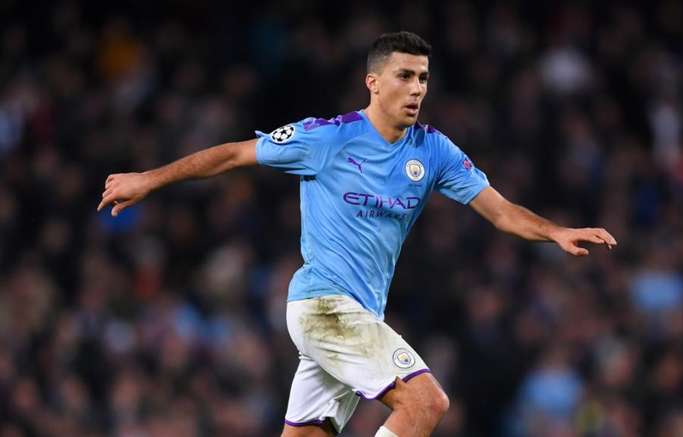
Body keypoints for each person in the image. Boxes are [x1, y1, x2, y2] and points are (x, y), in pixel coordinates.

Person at [98, 31, 617, 437]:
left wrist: (556, 232)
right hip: (324, 306)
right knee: (426, 402)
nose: (416, 88)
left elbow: (501, 212)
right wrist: (149, 179)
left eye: (423, 78)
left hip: (359, 316)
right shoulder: (326, 138)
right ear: (373, 82)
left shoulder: (433, 150)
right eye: (404, 76)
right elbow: (233, 154)